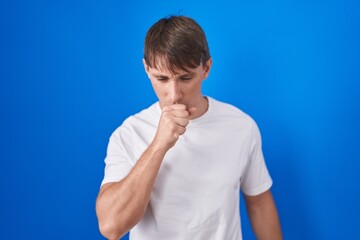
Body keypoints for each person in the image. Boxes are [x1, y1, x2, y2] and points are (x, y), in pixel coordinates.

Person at [96, 15, 282, 240]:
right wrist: (159, 145)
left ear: (206, 68)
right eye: (162, 79)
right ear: (146, 69)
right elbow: (111, 227)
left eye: (185, 78)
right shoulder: (128, 134)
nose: (173, 95)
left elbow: (259, 202)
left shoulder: (241, 126)